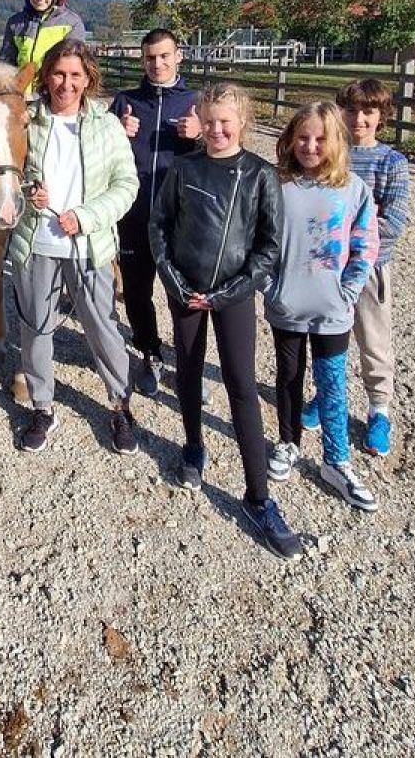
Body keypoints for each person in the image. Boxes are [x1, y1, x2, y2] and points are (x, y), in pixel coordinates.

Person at [149, 82, 302, 560]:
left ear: (242, 123)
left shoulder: (260, 175)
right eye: (209, 121)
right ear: (199, 121)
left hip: (233, 295)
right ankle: (193, 445)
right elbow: (160, 225)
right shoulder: (184, 167)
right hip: (186, 292)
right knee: (189, 371)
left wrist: (229, 292)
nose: (216, 130)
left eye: (225, 122)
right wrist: (173, 281)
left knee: (241, 386)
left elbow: (269, 247)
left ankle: (259, 497)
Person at [8, 39, 140, 455]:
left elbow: (127, 184)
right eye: (59, 74)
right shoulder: (27, 120)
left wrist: (86, 216)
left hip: (88, 246)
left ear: (88, 79)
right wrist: (28, 191)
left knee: (102, 327)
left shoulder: (107, 125)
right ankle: (42, 406)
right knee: (36, 328)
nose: (66, 83)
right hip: (37, 243)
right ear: (47, 76)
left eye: (75, 75)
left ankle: (120, 405)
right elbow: (8, 174)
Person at [265, 102, 380, 513]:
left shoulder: (352, 189)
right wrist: (270, 287)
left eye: (320, 139)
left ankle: (337, 459)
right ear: (290, 139)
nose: (310, 146)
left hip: (333, 310)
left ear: (336, 142)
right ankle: (288, 441)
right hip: (287, 306)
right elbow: (258, 240)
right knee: (288, 376)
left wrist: (348, 291)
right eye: (303, 137)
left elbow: (365, 243)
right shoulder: (277, 185)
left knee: (331, 382)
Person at [300, 79, 410, 458]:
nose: (358, 119)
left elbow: (393, 222)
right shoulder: (330, 155)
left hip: (370, 268)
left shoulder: (391, 163)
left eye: (368, 112)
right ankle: (326, 395)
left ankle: (379, 409)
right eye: (351, 110)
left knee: (373, 340)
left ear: (381, 116)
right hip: (328, 268)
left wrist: (343, 224)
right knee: (327, 337)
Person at [108, 28, 202, 397]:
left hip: (181, 220)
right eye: (150, 57)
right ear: (142, 60)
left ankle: (189, 363)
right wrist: (115, 131)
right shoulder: (126, 101)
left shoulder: (196, 102)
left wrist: (200, 135)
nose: (157, 63)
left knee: (183, 294)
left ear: (179, 55)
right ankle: (150, 352)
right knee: (135, 292)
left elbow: (224, 152)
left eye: (164, 55)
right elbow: (99, 151)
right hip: (133, 218)